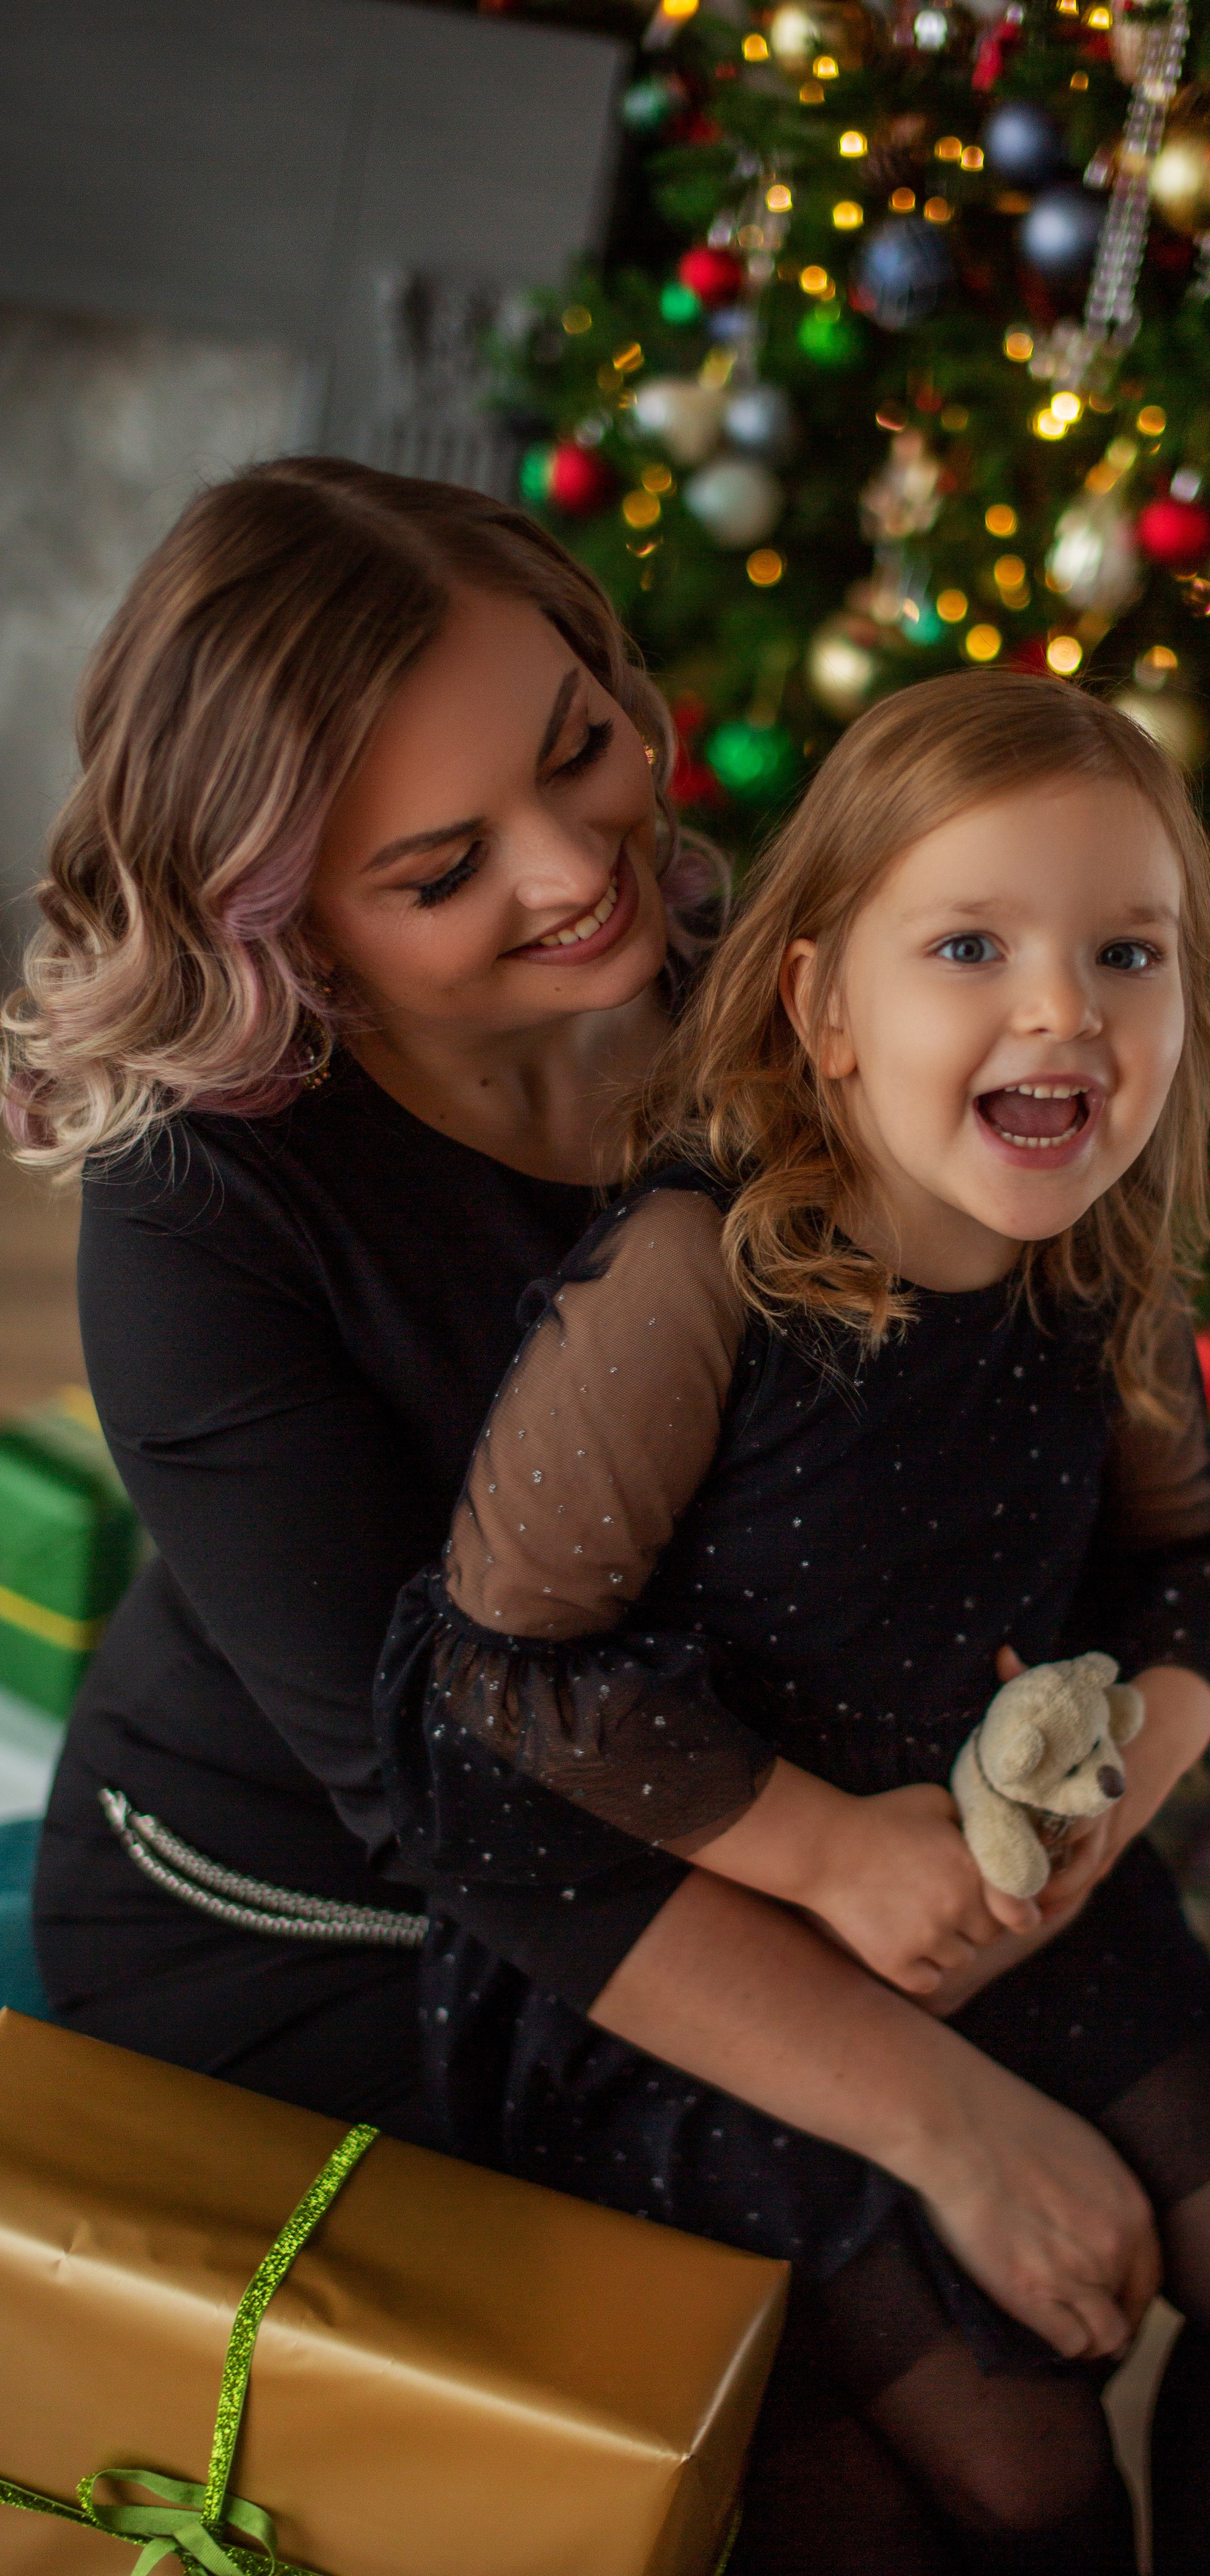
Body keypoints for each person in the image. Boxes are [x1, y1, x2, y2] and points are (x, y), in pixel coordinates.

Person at [378, 674, 1210, 2576]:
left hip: (1016, 1890)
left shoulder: (1108, 1269)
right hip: (714, 1949)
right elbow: (493, 1691)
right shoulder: (698, 1285)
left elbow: (1201, 1579)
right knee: (1028, 2476)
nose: (1066, 1007)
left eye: (1129, 952)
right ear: (822, 1008)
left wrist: (1134, 1770)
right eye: (974, 945)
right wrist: (825, 1851)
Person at [1, 457, 724, 2131]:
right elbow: (444, 1794)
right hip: (298, 1920)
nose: (570, 871)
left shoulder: (742, 989)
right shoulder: (196, 1215)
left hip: (702, 1835)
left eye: (579, 747)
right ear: (284, 926)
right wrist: (914, 2098)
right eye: (441, 868)